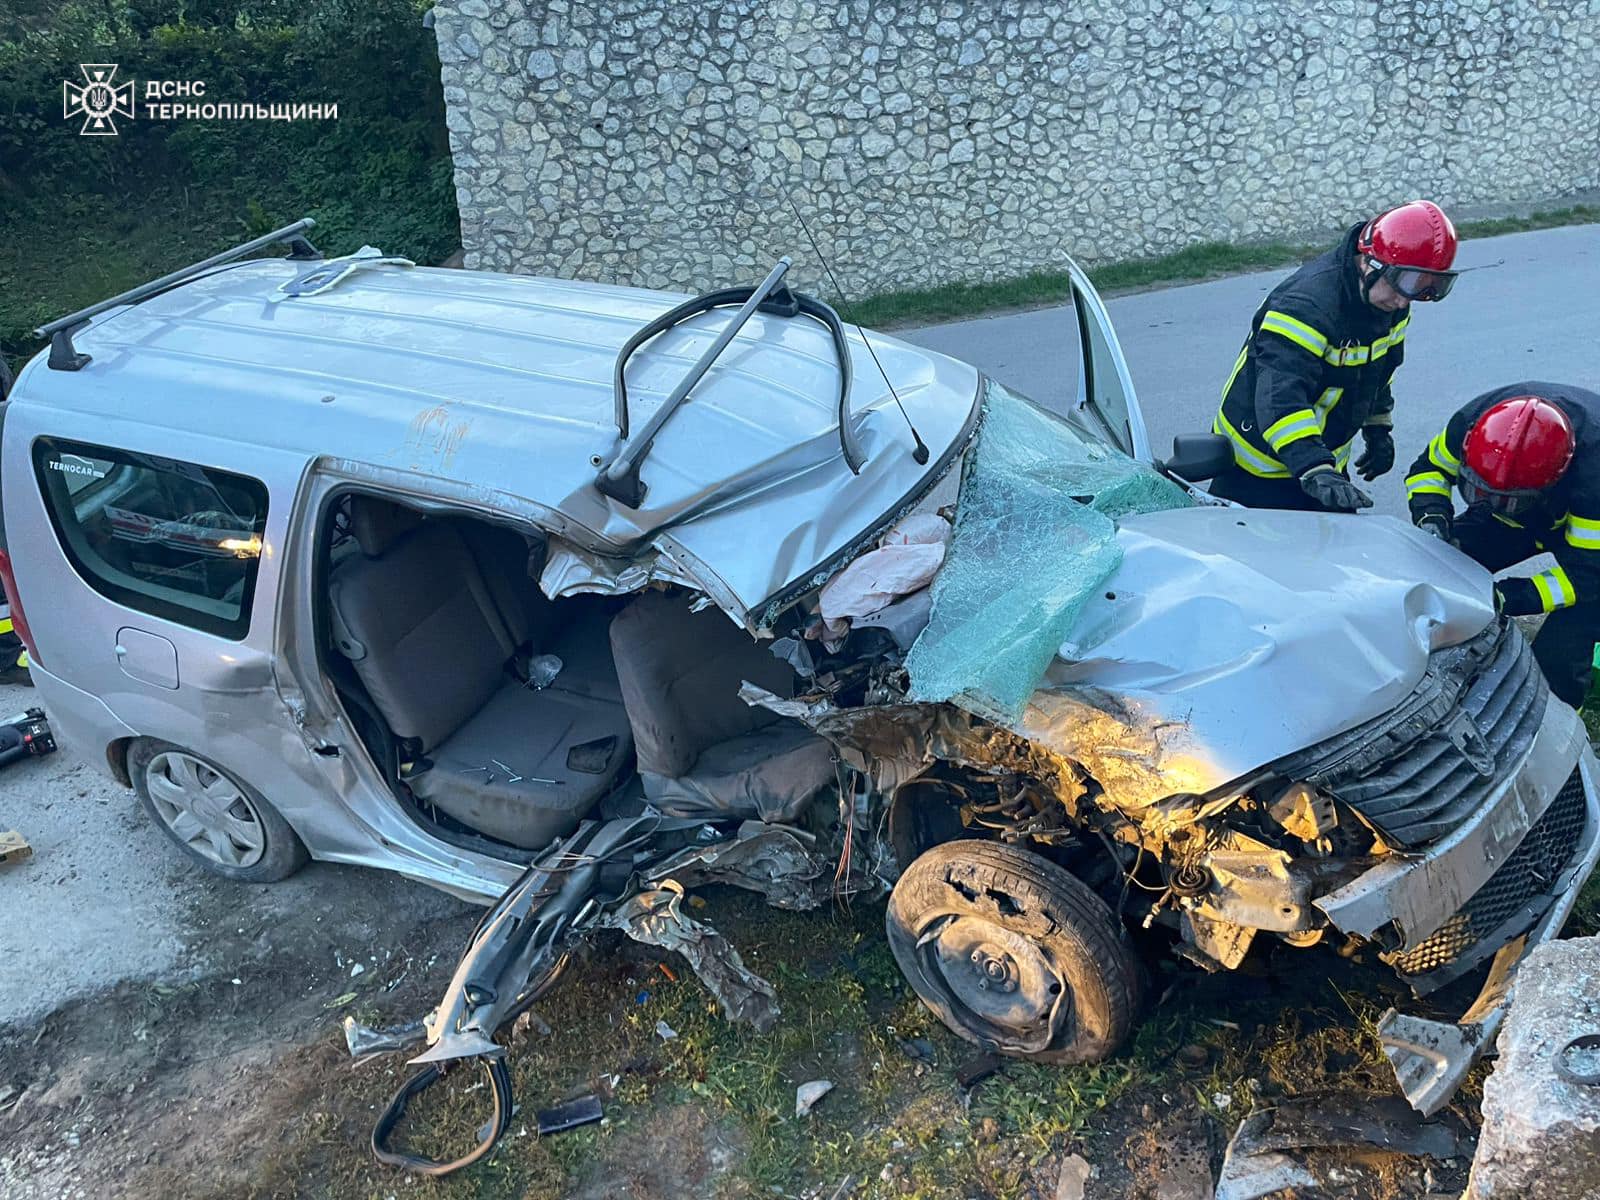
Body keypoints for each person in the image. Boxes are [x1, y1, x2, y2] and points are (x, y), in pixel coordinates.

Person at [1209, 200, 1459, 511]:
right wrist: (1314, 467)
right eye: (1407, 283)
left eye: (1427, 288)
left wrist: (1378, 428)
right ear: (1370, 263)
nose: (1405, 301)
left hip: (1321, 466)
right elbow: (1279, 397)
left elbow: (1380, 372)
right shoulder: (1304, 307)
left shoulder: (1391, 302)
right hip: (1257, 469)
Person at [1405, 383, 1600, 708]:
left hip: (1589, 547)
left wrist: (1507, 598)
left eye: (1504, 501)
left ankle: (1556, 730)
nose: (1491, 504)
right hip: (1525, 515)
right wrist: (1432, 517)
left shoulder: (1593, 479)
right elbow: (1428, 470)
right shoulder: (1473, 424)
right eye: (1482, 494)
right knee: (1438, 566)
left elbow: (1586, 577)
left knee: (1561, 653)